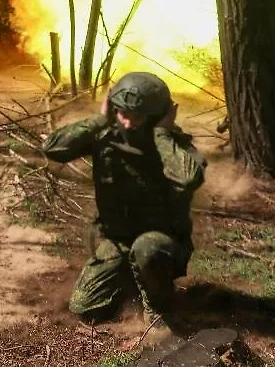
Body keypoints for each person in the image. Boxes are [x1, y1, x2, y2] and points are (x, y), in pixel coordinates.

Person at [42, 72, 206, 328]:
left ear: (157, 116)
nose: (128, 124)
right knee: (84, 306)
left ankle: (157, 306)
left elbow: (188, 178)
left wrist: (162, 134)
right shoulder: (106, 136)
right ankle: (134, 279)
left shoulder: (173, 145)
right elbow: (53, 148)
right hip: (119, 241)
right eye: (123, 114)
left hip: (163, 244)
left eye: (138, 116)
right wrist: (100, 119)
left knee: (147, 249)